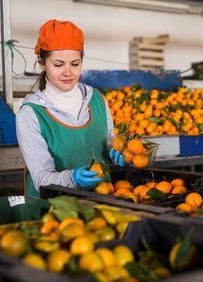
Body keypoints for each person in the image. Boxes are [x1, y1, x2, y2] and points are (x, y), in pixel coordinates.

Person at [16, 19, 124, 198]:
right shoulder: (31, 114)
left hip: (104, 206)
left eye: (75, 64)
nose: (68, 72)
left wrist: (117, 151)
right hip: (55, 216)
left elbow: (107, 143)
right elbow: (41, 178)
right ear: (42, 63)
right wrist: (72, 178)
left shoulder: (97, 99)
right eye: (58, 64)